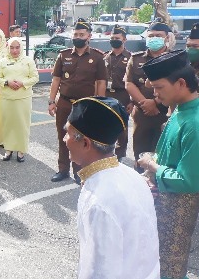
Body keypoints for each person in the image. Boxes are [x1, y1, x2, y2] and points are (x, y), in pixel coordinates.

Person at [64, 97, 159, 278]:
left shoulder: (99, 203)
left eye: (68, 133)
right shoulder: (131, 176)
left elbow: (101, 271)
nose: (64, 139)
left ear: (85, 143)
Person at [136, 50, 199, 279]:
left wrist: (152, 166)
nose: (155, 93)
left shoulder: (195, 122)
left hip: (177, 209)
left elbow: (188, 180)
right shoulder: (180, 109)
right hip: (160, 200)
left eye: (159, 87)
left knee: (169, 267)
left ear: (181, 83)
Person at [48, 18, 107, 184]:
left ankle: (79, 171)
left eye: (81, 34)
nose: (78, 37)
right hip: (65, 103)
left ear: (89, 36)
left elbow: (101, 82)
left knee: (81, 140)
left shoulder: (97, 57)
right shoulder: (64, 55)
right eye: (75, 34)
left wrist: (99, 105)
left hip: (85, 105)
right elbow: (56, 80)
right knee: (63, 137)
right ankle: (63, 169)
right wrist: (52, 101)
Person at [125, 18, 170, 172]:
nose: (153, 38)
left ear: (166, 37)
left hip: (165, 114)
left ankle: (157, 188)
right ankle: (140, 184)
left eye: (158, 35)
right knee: (140, 152)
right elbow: (129, 83)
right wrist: (145, 103)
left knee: (161, 154)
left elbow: (176, 85)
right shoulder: (136, 58)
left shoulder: (174, 59)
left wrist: (155, 102)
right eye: (150, 35)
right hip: (142, 114)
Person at [0, 37, 39, 162]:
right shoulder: (2, 62)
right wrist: (7, 82)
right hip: (7, 98)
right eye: (12, 47)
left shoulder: (28, 61)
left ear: (21, 47)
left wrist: (22, 83)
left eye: (17, 47)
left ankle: (21, 151)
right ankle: (8, 150)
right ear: (8, 48)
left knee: (22, 124)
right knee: (8, 124)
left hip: (23, 98)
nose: (15, 50)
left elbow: (35, 77)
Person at [103, 25, 132, 160]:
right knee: (107, 125)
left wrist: (132, 101)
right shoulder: (105, 57)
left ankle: (119, 155)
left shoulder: (131, 58)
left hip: (123, 95)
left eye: (117, 38)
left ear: (124, 40)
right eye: (112, 38)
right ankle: (107, 152)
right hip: (107, 94)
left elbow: (134, 80)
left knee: (122, 127)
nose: (114, 40)